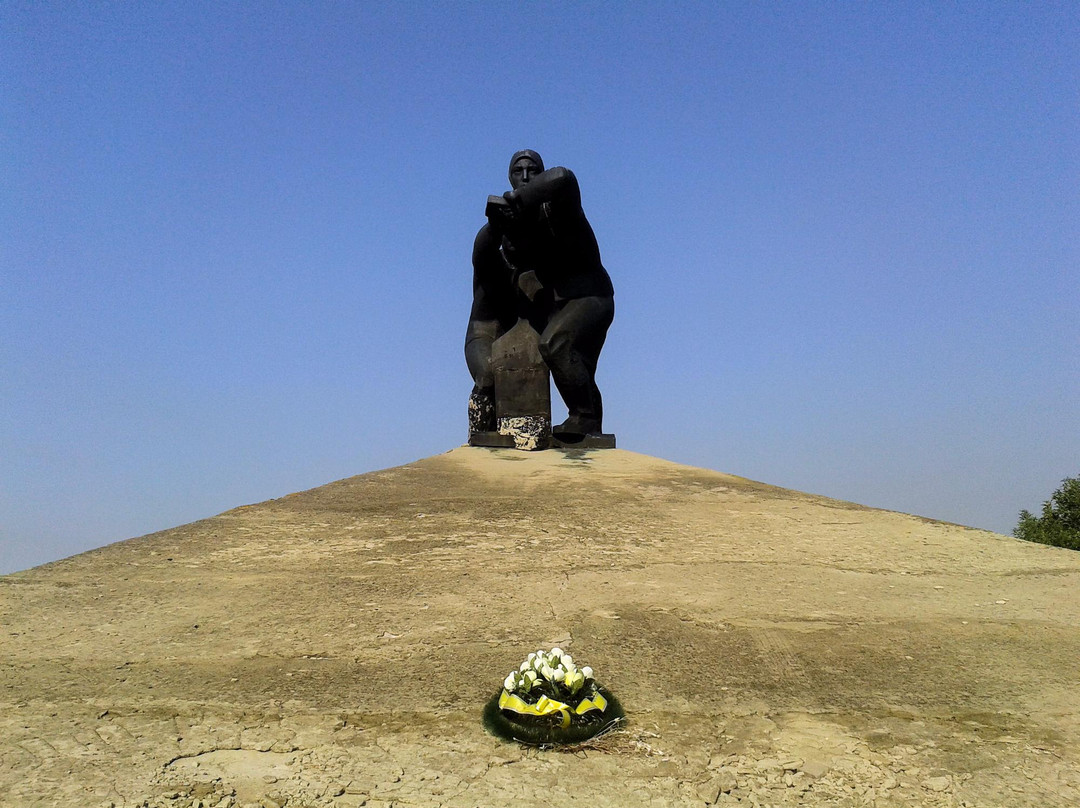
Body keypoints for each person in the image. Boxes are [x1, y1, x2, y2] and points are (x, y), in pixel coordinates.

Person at [465, 150, 614, 439]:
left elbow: (563, 177)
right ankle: (588, 425)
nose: (524, 177)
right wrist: (496, 226)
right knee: (575, 366)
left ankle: (583, 418)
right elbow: (481, 252)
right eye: (517, 172)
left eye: (531, 171)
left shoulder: (560, 212)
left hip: (591, 296)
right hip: (558, 309)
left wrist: (517, 199)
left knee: (556, 345)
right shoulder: (504, 256)